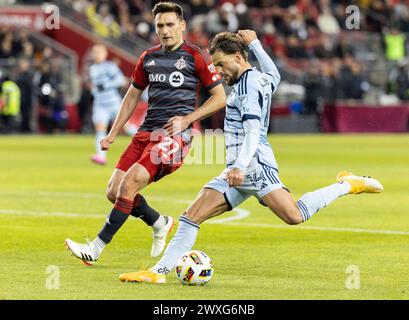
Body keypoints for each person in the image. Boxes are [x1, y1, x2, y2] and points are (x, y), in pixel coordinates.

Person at [117, 30, 384, 284]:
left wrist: (241, 166)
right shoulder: (258, 79)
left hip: (254, 167)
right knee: (191, 215)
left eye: (220, 65)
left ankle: (347, 184)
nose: (217, 73)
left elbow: (253, 130)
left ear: (237, 57)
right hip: (239, 168)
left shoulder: (246, 89)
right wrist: (256, 44)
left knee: (295, 215)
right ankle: (159, 271)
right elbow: (275, 76)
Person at [65, 2, 225, 264]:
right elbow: (131, 96)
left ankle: (95, 248)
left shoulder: (197, 56)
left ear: (182, 26)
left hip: (175, 137)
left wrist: (187, 120)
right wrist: (113, 132)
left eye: (170, 24)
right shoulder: (148, 57)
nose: (165, 30)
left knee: (128, 185)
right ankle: (159, 222)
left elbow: (219, 99)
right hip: (145, 133)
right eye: (160, 25)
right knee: (113, 191)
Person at [88, 44, 127, 165]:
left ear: (105, 54)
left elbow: (121, 80)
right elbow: (96, 87)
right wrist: (94, 91)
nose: (96, 54)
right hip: (100, 105)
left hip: (113, 103)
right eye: (94, 52)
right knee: (100, 128)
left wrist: (105, 86)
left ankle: (150, 143)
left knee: (126, 127)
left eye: (99, 52)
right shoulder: (92, 68)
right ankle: (101, 156)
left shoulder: (110, 66)